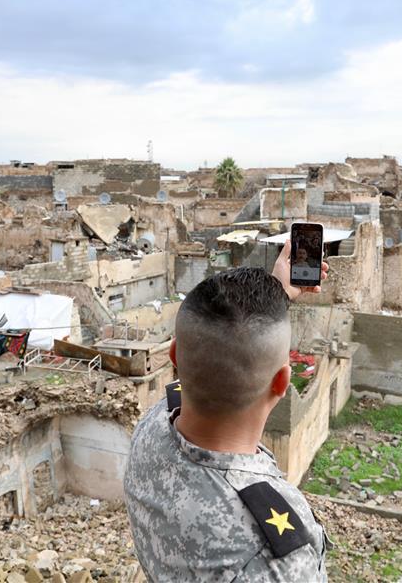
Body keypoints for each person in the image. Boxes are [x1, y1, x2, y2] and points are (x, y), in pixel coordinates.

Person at [124, 240, 329, 582]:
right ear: (282, 383)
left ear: (174, 357)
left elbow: (221, 348)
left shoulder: (151, 430)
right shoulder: (273, 560)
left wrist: (275, 295)